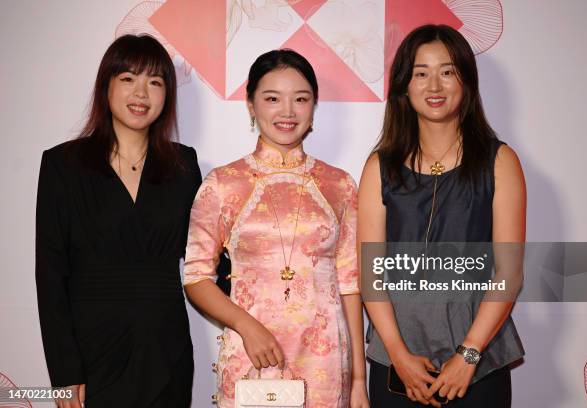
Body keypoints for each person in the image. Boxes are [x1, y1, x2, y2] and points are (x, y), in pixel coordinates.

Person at [183, 49, 369, 408]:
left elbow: (349, 284)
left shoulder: (340, 184)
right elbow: (195, 277)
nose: (288, 112)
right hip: (253, 356)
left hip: (325, 365)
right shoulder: (223, 183)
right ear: (251, 104)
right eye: (272, 99)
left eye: (301, 99)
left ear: (314, 107)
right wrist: (247, 327)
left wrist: (359, 379)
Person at [358, 24, 525, 407]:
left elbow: (509, 273)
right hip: (396, 363)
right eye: (421, 73)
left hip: (477, 363)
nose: (434, 85)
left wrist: (469, 354)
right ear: (404, 85)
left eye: (447, 72)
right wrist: (398, 356)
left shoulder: (499, 161)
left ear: (466, 81)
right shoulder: (379, 167)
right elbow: (371, 274)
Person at [35, 35, 201, 408]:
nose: (141, 92)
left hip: (167, 350)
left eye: (155, 82)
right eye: (128, 78)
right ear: (106, 85)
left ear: (167, 95)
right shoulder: (62, 166)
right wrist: (65, 372)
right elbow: (49, 276)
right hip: (93, 356)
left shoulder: (184, 165)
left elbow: (206, 259)